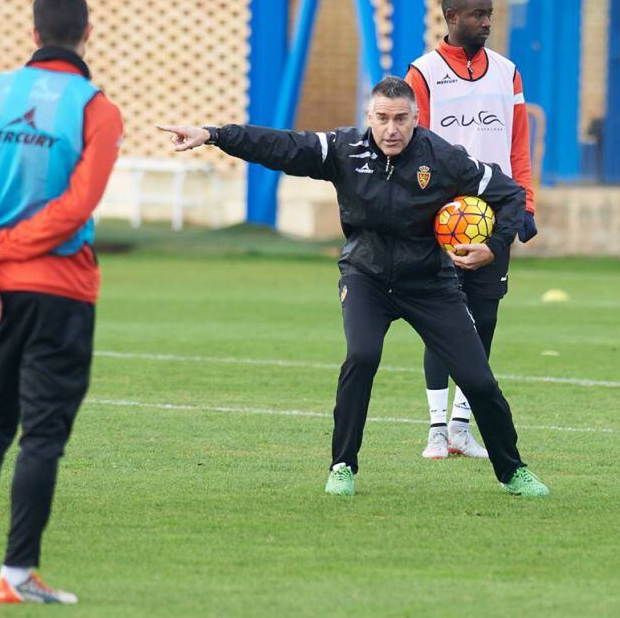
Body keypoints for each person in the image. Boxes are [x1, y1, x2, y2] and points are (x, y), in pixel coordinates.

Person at [157, 76, 549, 498]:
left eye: (401, 119)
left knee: (478, 379)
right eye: (382, 119)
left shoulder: (443, 157)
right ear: (369, 118)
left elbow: (509, 194)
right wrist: (214, 135)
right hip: (367, 278)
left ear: (416, 119)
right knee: (361, 357)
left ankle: (513, 471)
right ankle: (343, 465)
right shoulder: (345, 150)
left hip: (429, 284)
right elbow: (281, 145)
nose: (391, 129)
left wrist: (493, 245)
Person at [0, 0, 123, 604]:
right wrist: (4, 254)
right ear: (87, 33)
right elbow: (77, 209)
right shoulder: (97, 109)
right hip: (63, 291)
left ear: (34, 32)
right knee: (41, 435)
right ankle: (14, 575)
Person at [405, 0, 537, 460]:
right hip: (443, 220)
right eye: (477, 14)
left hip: (496, 215)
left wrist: (526, 204)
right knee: (444, 320)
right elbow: (413, 150)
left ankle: (462, 427)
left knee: (483, 320)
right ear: (451, 17)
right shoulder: (422, 72)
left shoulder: (508, 72)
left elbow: (518, 146)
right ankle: (436, 429)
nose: (486, 21)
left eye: (490, 13)